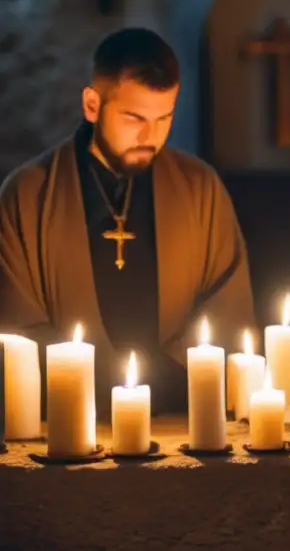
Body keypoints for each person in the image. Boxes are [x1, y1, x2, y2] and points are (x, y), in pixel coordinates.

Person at [0, 28, 256, 414]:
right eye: (133, 117)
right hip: (71, 419)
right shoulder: (28, 194)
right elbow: (16, 325)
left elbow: (227, 303)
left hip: (176, 412)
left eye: (164, 117)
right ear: (91, 104)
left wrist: (174, 374)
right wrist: (96, 377)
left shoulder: (199, 187)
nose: (149, 136)